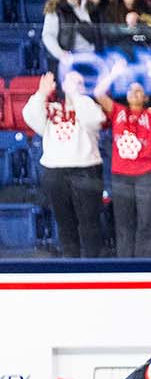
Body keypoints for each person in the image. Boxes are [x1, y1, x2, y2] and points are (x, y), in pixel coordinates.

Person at [24, 72, 106, 260]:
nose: (73, 85)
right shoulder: (50, 107)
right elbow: (30, 117)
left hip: (86, 169)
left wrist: (76, 95)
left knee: (90, 223)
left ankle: (93, 267)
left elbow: (94, 120)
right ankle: (70, 265)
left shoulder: (88, 105)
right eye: (69, 81)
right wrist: (41, 93)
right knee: (64, 223)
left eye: (78, 82)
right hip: (55, 171)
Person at [99, 79, 151, 257]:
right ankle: (125, 263)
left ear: (146, 98)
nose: (134, 92)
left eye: (139, 91)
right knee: (123, 222)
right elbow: (99, 94)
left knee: (147, 221)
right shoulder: (118, 112)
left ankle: (145, 264)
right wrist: (114, 73)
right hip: (121, 174)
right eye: (130, 90)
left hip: (147, 174)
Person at [41, 0, 99, 74]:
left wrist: (84, 6)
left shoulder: (90, 7)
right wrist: (61, 54)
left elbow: (99, 33)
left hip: (92, 58)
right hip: (70, 59)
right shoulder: (55, 8)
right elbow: (48, 36)